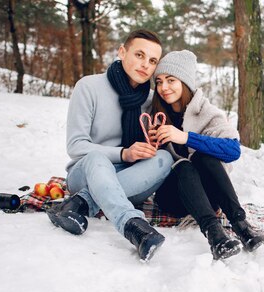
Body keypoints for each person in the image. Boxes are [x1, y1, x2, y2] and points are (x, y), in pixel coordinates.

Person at [47, 29, 173, 262]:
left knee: (164, 159)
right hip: (85, 172)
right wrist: (124, 153)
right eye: (139, 55)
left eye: (153, 61)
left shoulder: (150, 100)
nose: (145, 64)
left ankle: (80, 203)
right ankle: (134, 227)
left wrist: (151, 144)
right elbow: (76, 146)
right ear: (122, 52)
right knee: (97, 158)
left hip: (129, 179)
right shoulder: (89, 87)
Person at [148, 50, 264, 260]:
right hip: (172, 196)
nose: (163, 87)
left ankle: (242, 226)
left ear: (185, 82)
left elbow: (233, 150)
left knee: (204, 156)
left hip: (209, 197)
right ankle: (215, 236)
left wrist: (185, 137)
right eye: (159, 81)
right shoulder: (153, 113)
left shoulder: (207, 112)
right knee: (183, 165)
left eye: (171, 80)